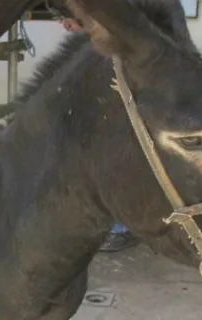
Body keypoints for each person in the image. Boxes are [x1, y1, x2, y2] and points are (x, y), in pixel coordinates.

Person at [56, 16, 138, 252]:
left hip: (124, 75)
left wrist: (85, 26)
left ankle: (121, 228)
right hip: (112, 70)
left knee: (115, 149)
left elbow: (123, 25)